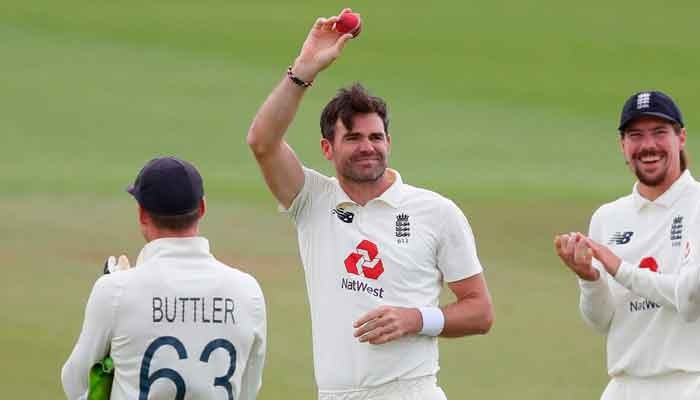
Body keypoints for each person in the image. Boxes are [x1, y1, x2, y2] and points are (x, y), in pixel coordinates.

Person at [246, 10, 493, 400]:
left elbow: (480, 311)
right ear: (327, 148)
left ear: (389, 142)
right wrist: (304, 70)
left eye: (376, 137)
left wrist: (416, 319)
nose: (368, 147)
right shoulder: (312, 200)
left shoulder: (436, 212)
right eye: (353, 138)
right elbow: (262, 142)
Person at [61, 157, 266, 400]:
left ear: (142, 214)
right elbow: (248, 390)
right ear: (202, 208)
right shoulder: (248, 291)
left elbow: (76, 384)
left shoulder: (115, 291)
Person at [555, 91, 700, 399]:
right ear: (623, 145)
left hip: (691, 382)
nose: (648, 145)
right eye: (635, 135)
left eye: (659, 132)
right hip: (624, 385)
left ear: (681, 138)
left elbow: (691, 299)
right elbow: (601, 321)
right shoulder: (608, 217)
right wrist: (589, 279)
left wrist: (620, 268)